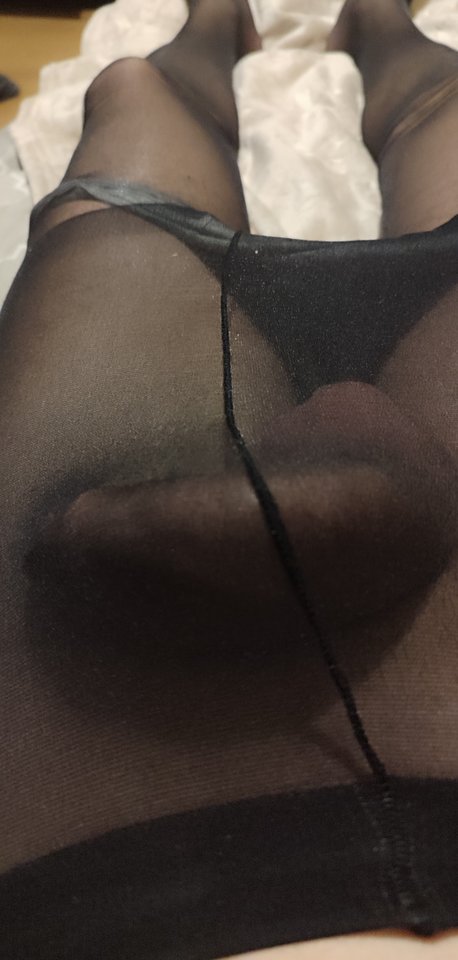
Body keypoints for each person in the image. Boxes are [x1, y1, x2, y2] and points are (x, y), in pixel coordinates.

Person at [0, 0, 457, 957]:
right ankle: (377, 24)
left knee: (130, 90)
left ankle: (218, 22)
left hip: (95, 873)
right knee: (445, 100)